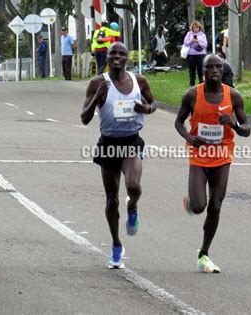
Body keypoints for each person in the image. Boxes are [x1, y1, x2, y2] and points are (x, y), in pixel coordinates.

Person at [81, 42, 157, 269]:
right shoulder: (97, 83)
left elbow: (153, 103)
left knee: (133, 186)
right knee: (112, 199)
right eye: (113, 52)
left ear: (127, 58)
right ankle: (116, 245)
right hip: (108, 144)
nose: (117, 56)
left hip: (131, 141)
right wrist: (96, 99)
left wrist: (147, 109)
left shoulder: (138, 81)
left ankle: (133, 206)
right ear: (107, 56)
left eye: (121, 53)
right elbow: (84, 118)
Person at [175, 54, 251, 273]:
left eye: (219, 67)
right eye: (210, 67)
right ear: (203, 70)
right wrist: (190, 138)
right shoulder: (191, 95)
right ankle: (191, 202)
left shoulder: (234, 96)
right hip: (199, 155)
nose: (215, 70)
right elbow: (178, 122)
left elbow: (247, 130)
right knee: (200, 207)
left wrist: (234, 125)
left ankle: (204, 253)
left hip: (222, 155)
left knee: (216, 205)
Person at [183, 21, 208, 87]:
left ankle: (201, 82)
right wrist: (191, 40)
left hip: (201, 54)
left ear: (199, 28)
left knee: (200, 69)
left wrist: (198, 41)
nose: (195, 29)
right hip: (191, 54)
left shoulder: (202, 35)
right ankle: (192, 83)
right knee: (192, 69)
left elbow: (205, 45)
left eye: (196, 28)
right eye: (194, 28)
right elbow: (185, 43)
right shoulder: (189, 33)